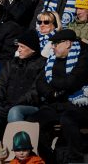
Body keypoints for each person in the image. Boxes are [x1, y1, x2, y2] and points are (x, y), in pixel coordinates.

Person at [34, 30, 88, 163]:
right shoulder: (52, 59)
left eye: (56, 44)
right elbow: (40, 82)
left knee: (68, 119)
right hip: (55, 102)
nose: (52, 47)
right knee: (34, 121)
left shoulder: (83, 57)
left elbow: (72, 81)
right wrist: (52, 92)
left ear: (68, 43)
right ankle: (47, 158)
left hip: (78, 104)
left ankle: (76, 158)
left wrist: (52, 82)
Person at [0, 30, 44, 124]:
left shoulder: (42, 64)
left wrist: (14, 105)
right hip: (6, 105)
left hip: (29, 106)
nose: (18, 50)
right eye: (18, 46)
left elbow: (35, 92)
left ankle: (18, 138)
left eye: (22, 47)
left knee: (15, 112)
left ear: (32, 48)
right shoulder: (11, 63)